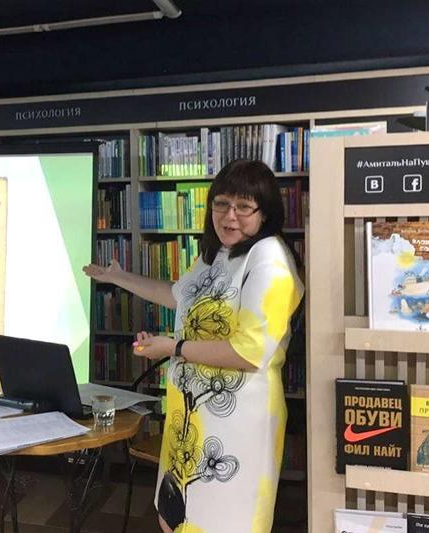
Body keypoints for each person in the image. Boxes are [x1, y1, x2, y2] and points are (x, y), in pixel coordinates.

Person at [83, 160, 303, 533]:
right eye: (221, 204)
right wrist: (118, 278)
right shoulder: (217, 253)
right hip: (191, 418)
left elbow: (249, 353)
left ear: (264, 213)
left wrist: (173, 347)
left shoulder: (269, 259)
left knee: (221, 523)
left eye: (243, 207)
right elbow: (178, 296)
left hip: (236, 426)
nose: (229, 216)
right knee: (176, 516)